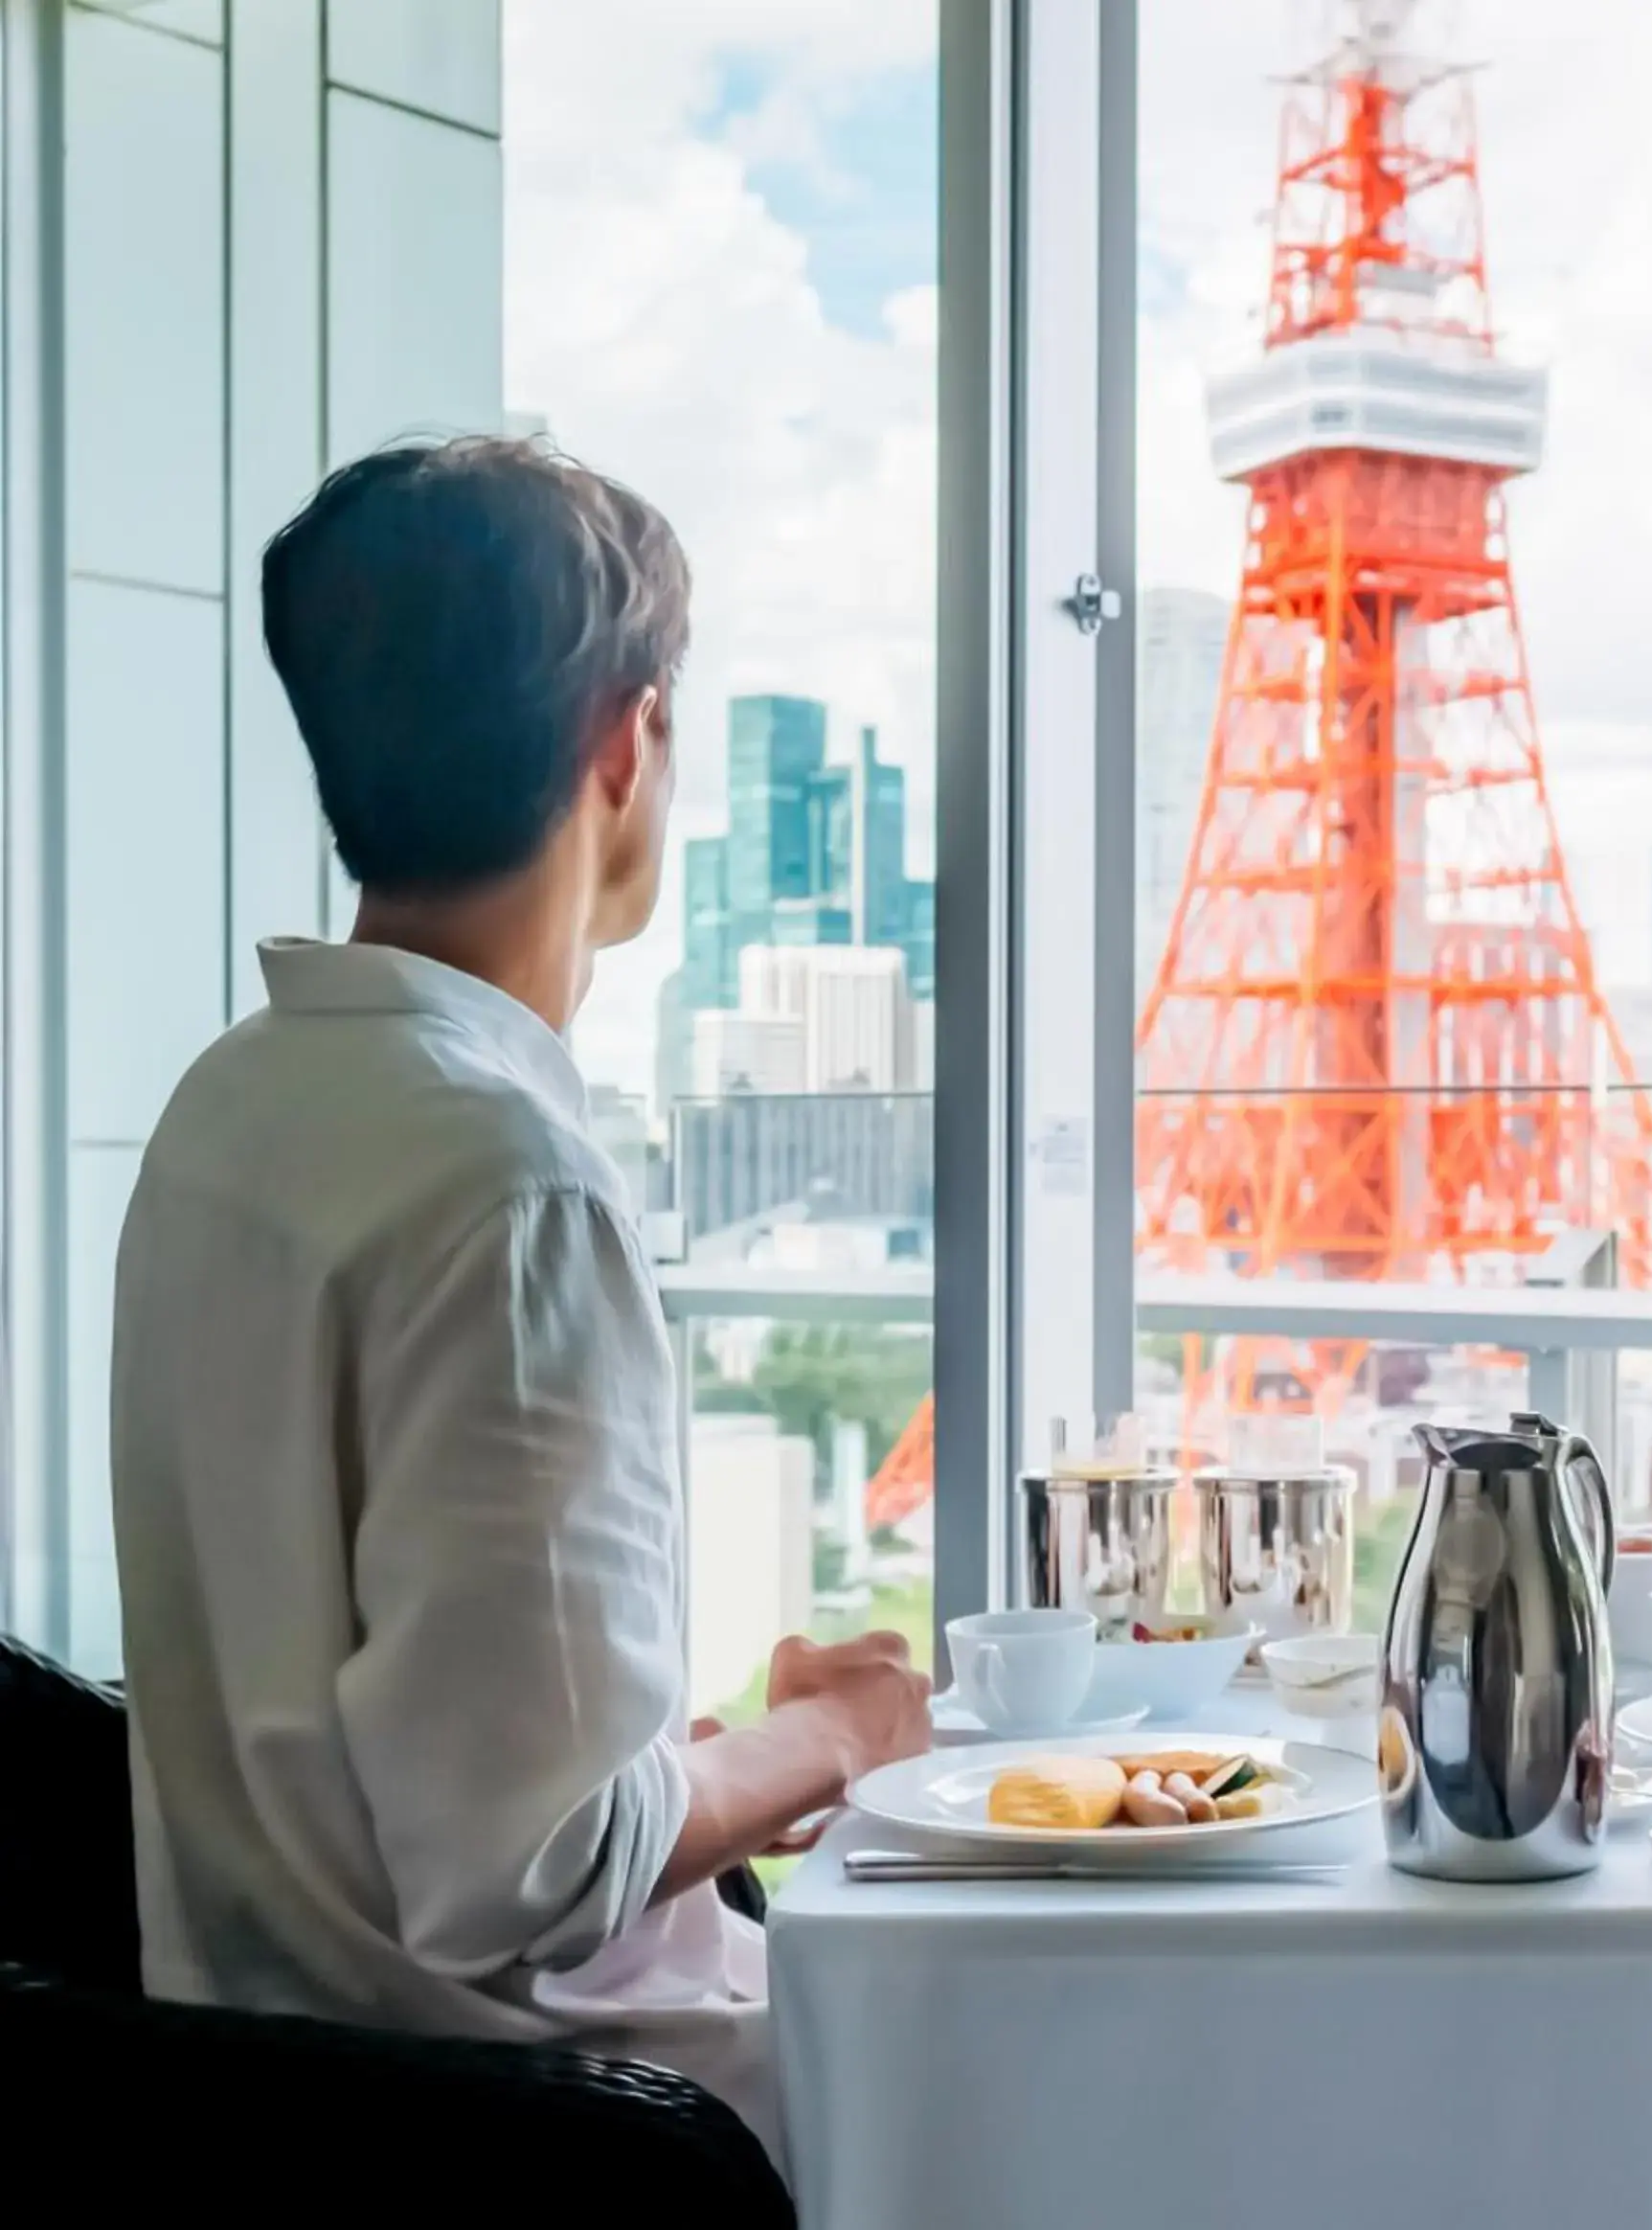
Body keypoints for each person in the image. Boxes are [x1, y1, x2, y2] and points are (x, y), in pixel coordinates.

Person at [110, 435, 928, 2161]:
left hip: (260, 2102)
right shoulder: (511, 1184)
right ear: (624, 743)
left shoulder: (230, 1106)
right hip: (590, 2142)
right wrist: (834, 1732)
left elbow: (376, 1739)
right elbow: (539, 1869)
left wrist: (694, 1753)